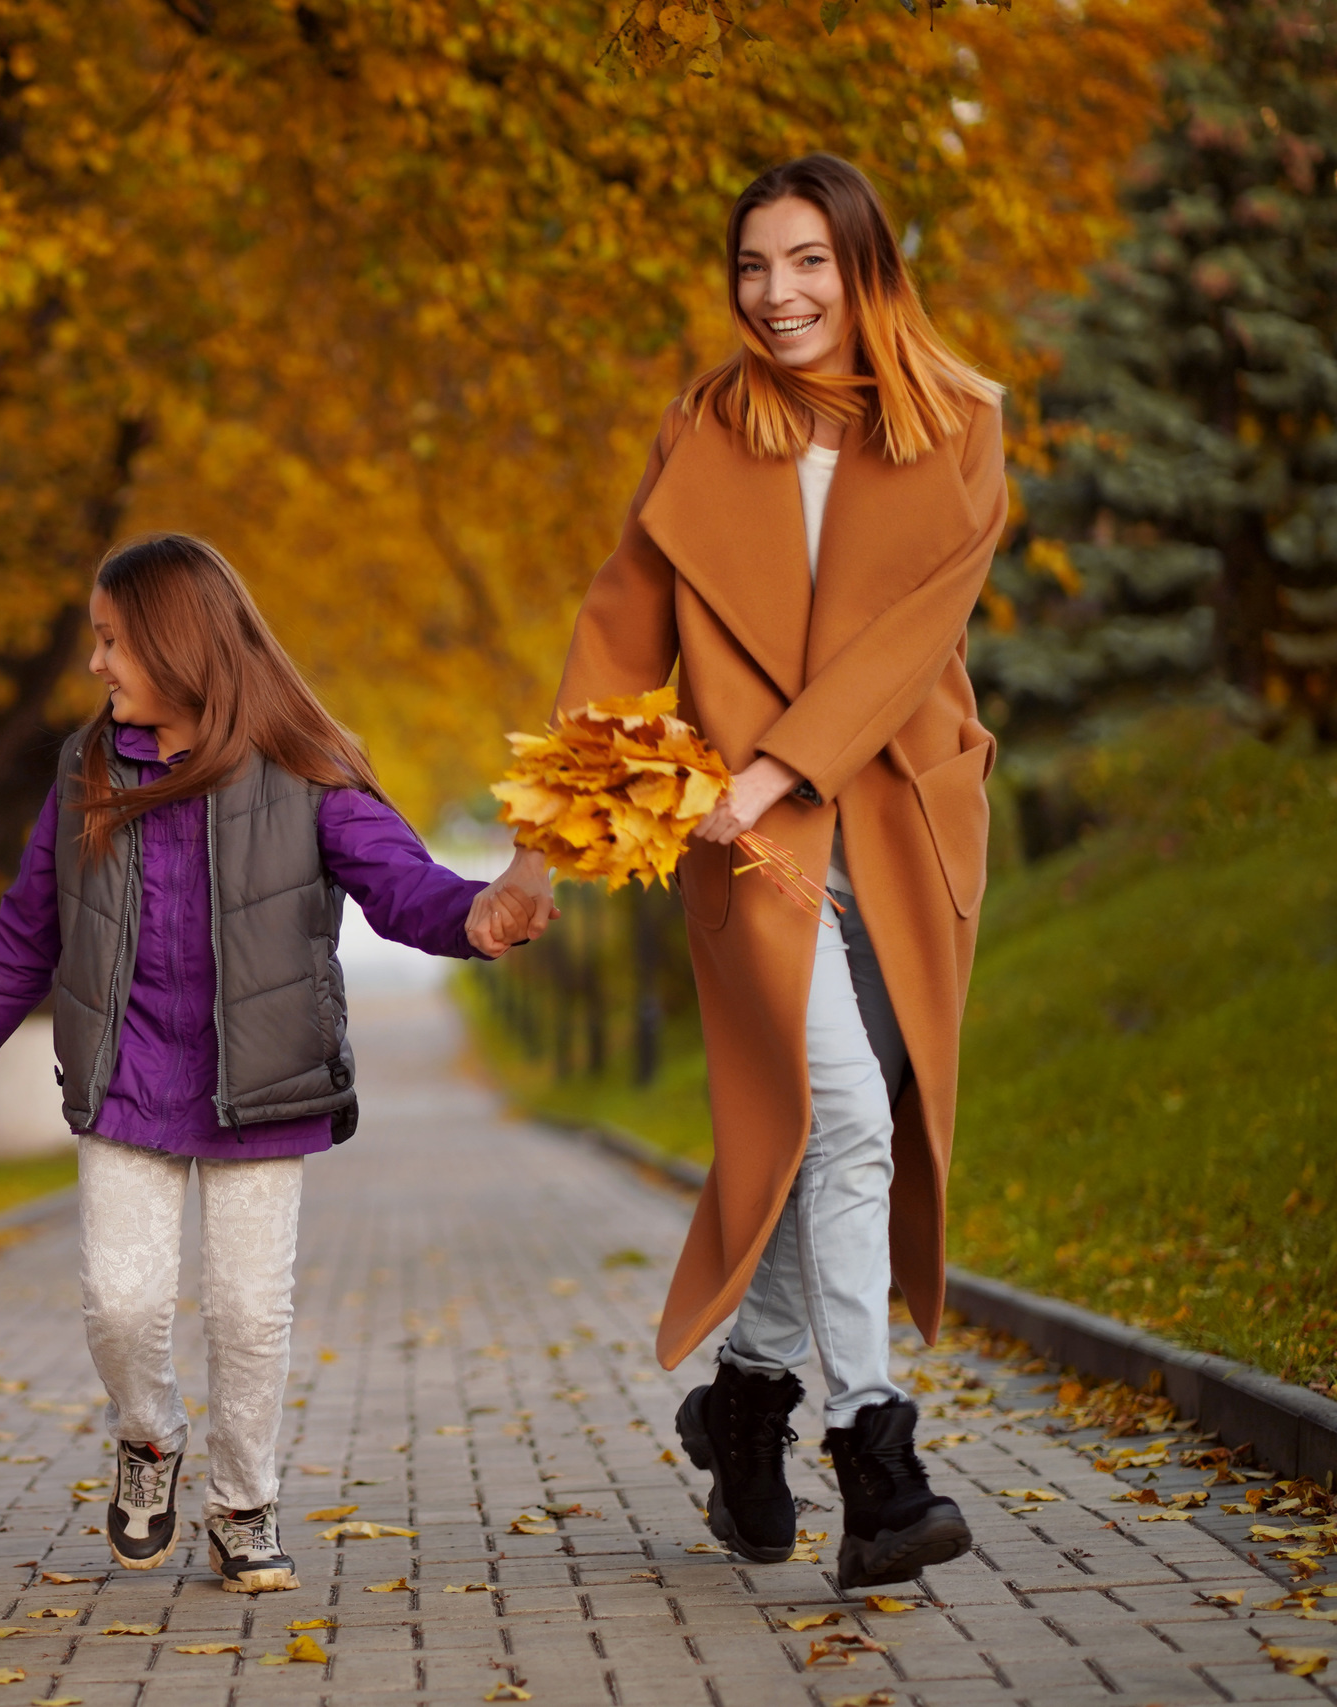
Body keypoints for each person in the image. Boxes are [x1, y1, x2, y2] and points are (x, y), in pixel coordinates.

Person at [482, 154, 1004, 1591]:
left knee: (824, 1126)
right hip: (752, 845)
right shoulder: (703, 429)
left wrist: (769, 765)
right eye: (753, 268)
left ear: (864, 266)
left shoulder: (963, 426)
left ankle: (744, 1406)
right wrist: (546, 842)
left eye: (807, 263)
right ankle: (878, 1461)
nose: (777, 296)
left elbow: (911, 636)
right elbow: (617, 633)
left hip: (897, 820)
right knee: (836, 1114)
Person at [0, 534, 529, 1594]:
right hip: (128, 1075)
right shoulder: (88, 767)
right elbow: (25, 930)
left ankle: (244, 1506)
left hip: (263, 1083)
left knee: (246, 1313)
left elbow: (403, 883)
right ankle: (148, 1437)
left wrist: (478, 916)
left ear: (177, 642)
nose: (95, 663)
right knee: (121, 1303)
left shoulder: (304, 764)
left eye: (111, 641)